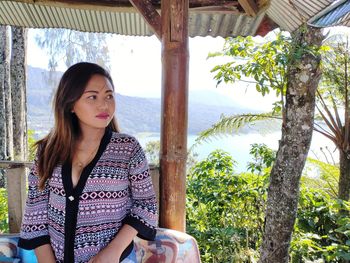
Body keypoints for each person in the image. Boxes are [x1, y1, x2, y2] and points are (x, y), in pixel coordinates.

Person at [18, 62, 158, 263]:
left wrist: (113, 251)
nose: (104, 105)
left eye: (109, 96)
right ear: (70, 104)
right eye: (92, 97)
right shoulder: (47, 151)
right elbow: (35, 212)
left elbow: (146, 205)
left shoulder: (128, 149)